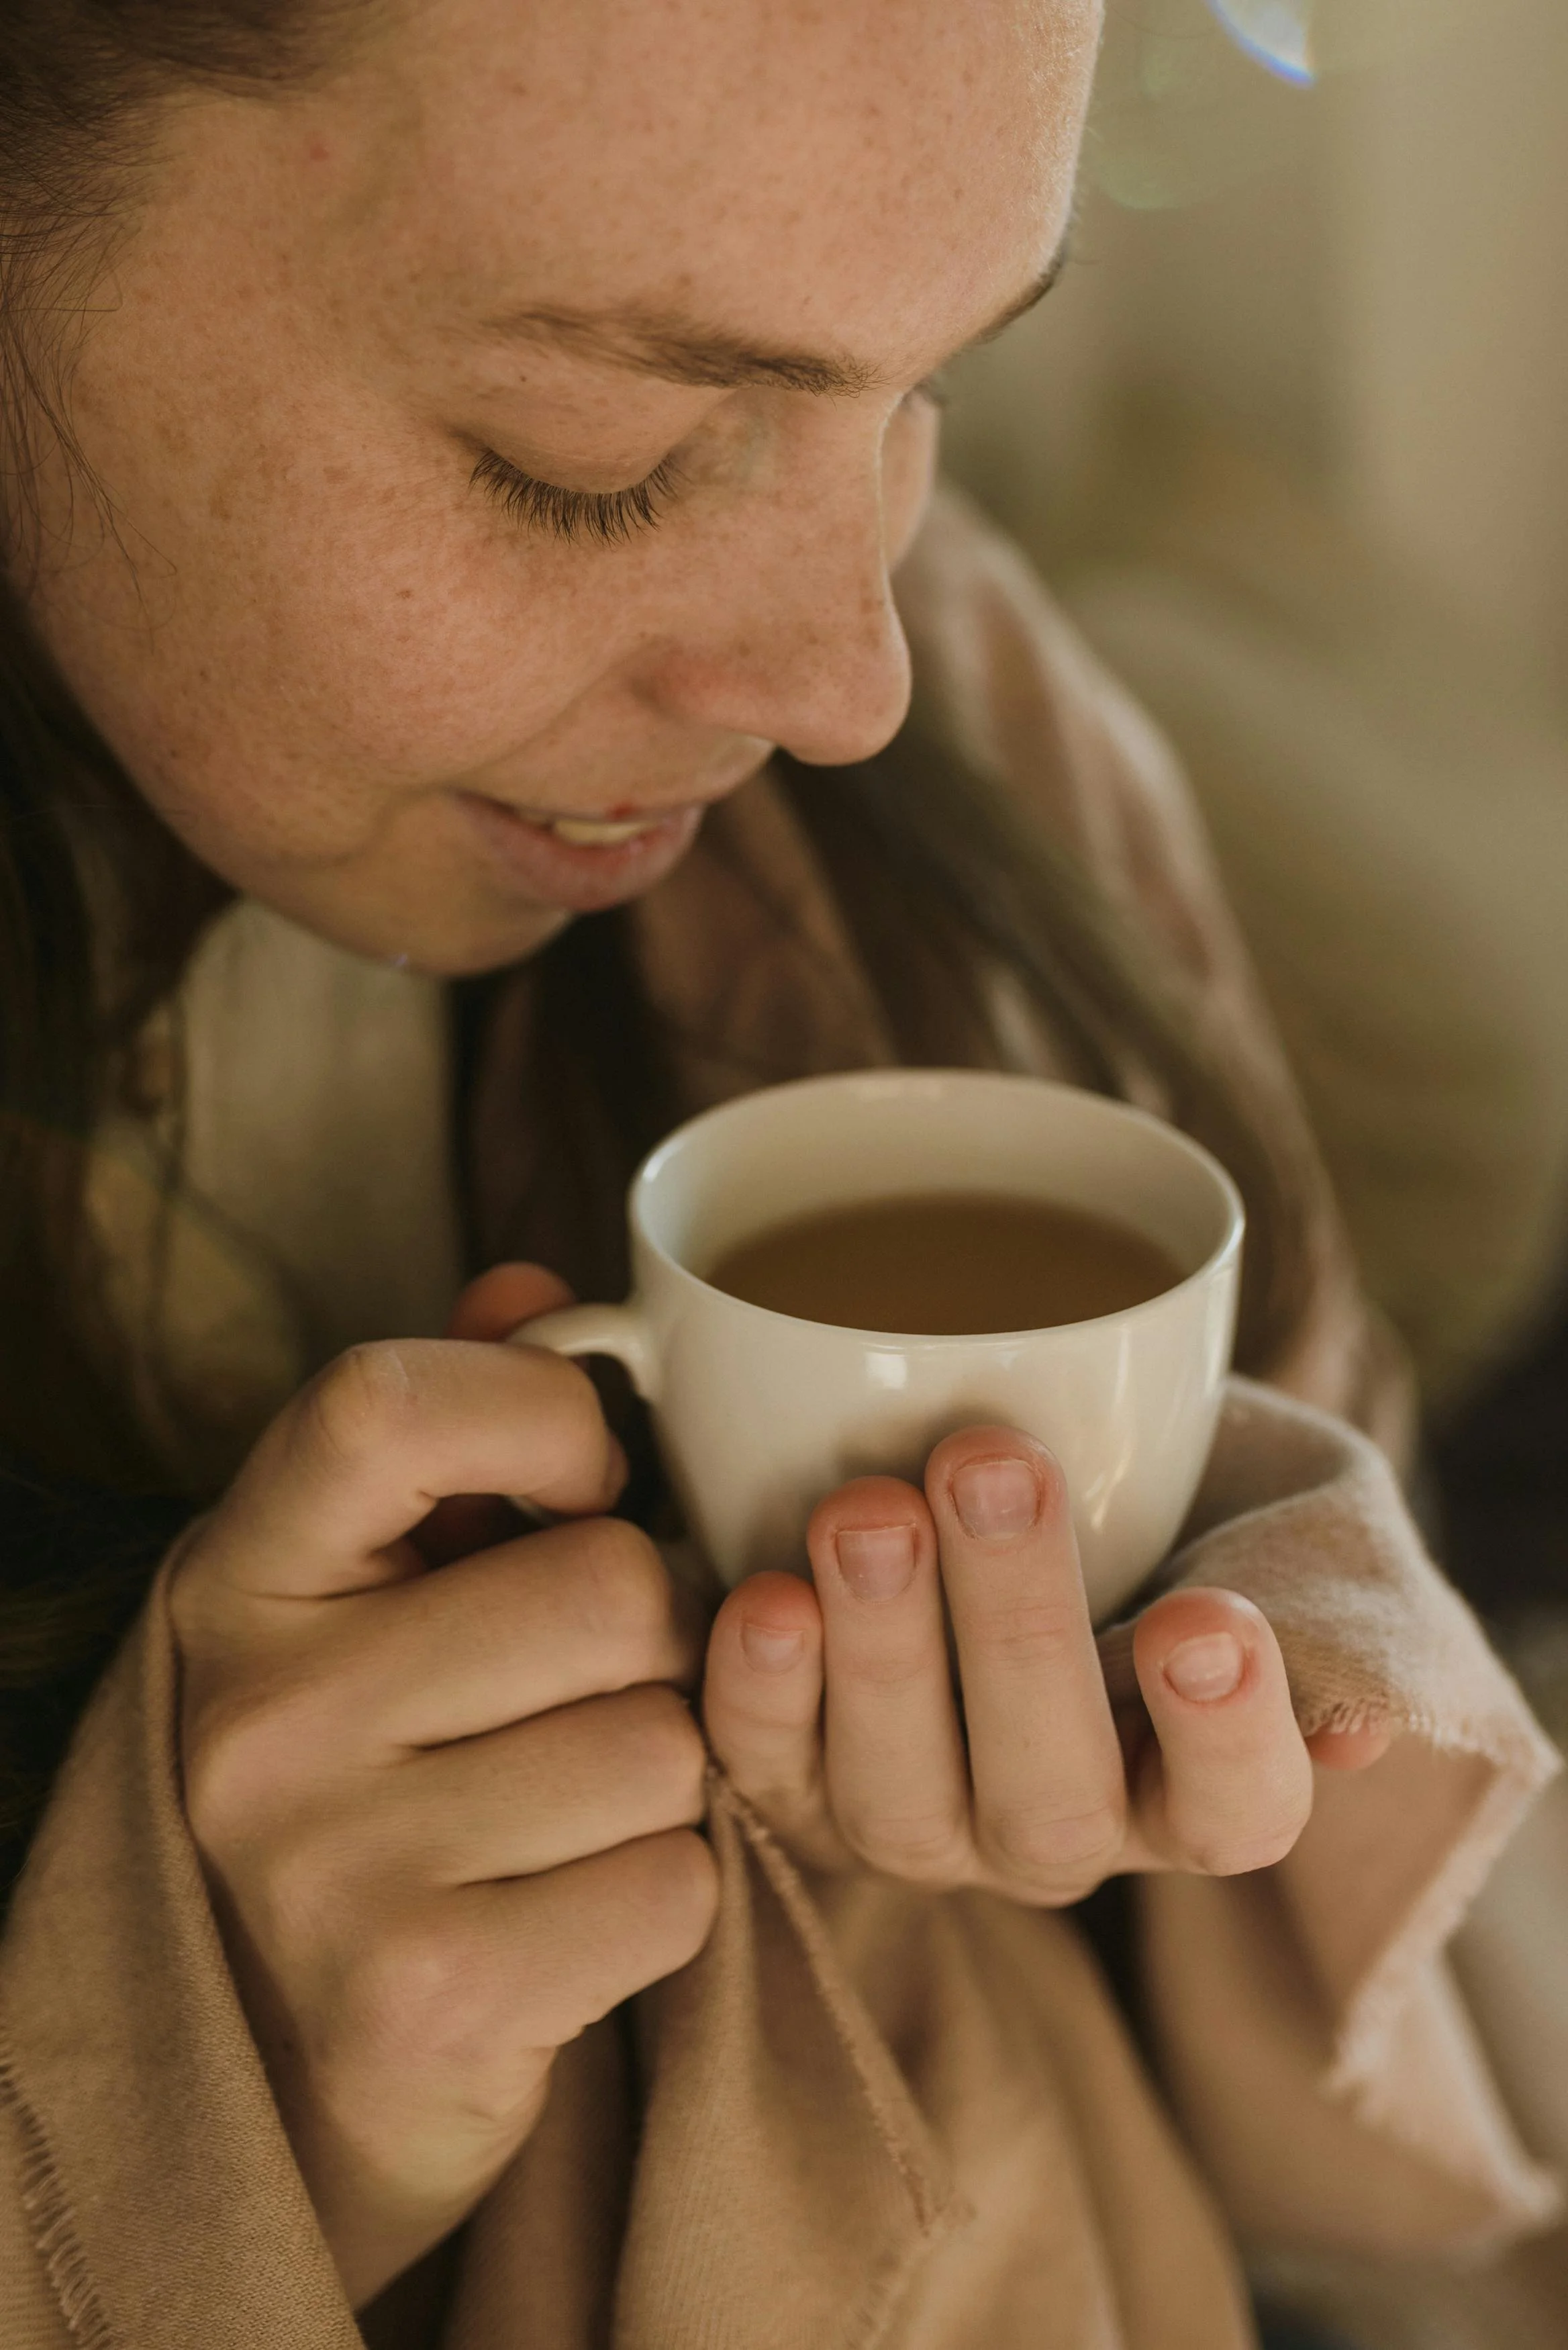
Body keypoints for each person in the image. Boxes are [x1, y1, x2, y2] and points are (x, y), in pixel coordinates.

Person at [0, 5, 1557, 2347]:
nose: (856, 683)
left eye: (924, 395)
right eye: (597, 459)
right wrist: (182, 2152)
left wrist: (1245, 1756)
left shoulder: (993, 786)